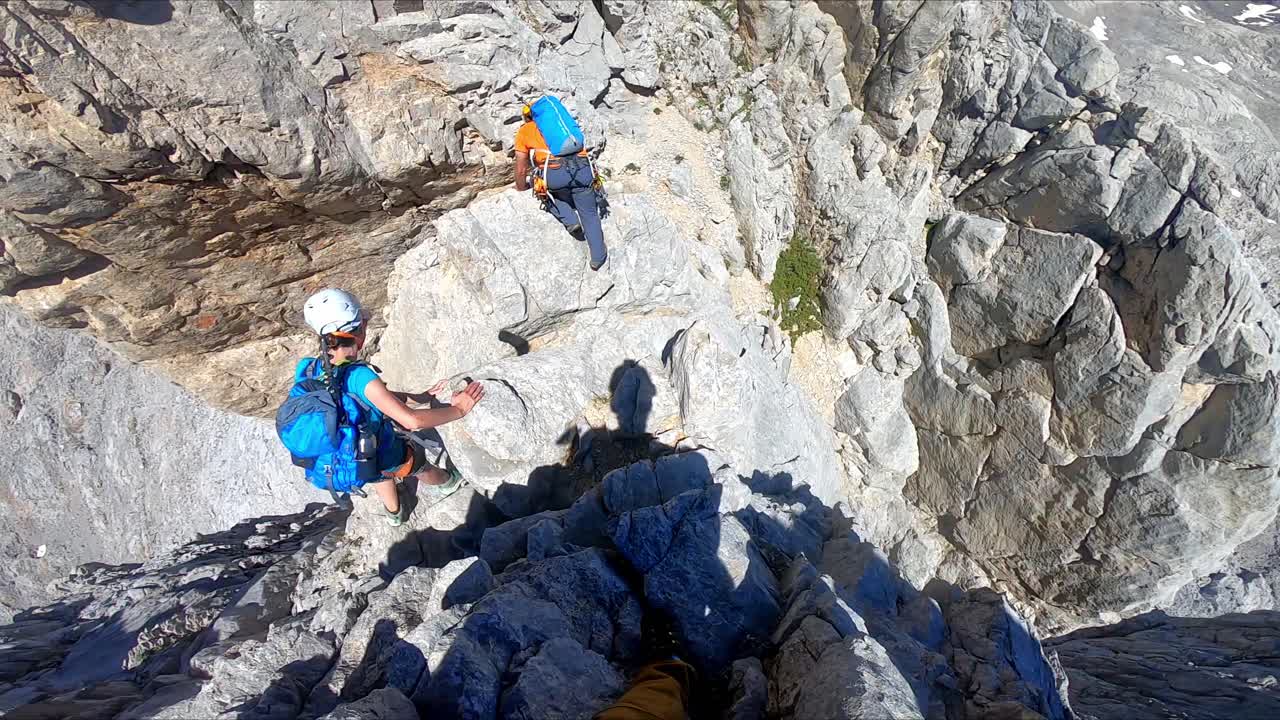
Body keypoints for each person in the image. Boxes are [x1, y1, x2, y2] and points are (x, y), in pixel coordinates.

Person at [300, 288, 485, 526]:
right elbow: (412, 421)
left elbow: (360, 398)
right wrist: (460, 410)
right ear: (358, 331)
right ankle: (448, 482)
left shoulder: (307, 368)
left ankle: (394, 514)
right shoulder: (360, 376)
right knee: (416, 465)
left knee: (377, 474)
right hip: (378, 449)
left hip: (339, 455)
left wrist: (418, 396)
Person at [514, 103, 608, 271]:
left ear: (528, 117)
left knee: (547, 194)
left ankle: (570, 220)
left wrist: (521, 187)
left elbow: (521, 167)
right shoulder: (564, 125)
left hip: (555, 173)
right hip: (582, 170)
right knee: (589, 213)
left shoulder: (525, 130)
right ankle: (598, 257)